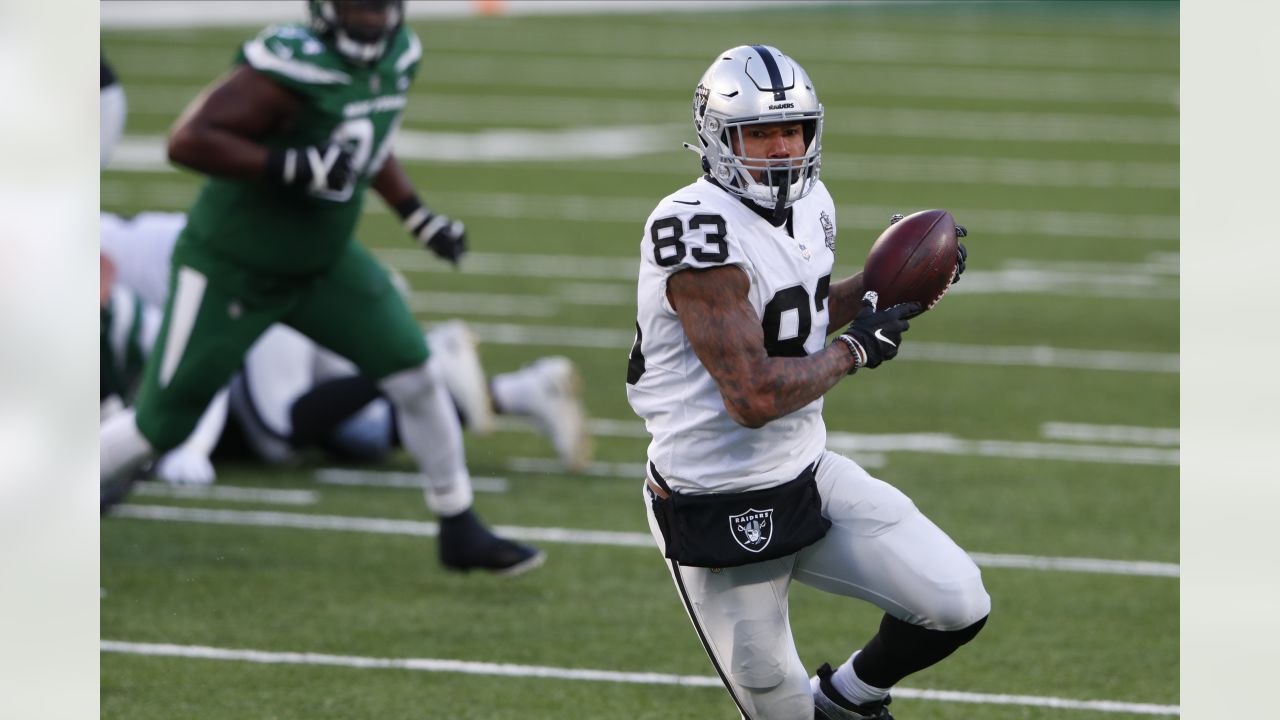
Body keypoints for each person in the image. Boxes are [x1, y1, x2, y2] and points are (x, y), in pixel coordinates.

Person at [99, 0, 542, 575]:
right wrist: (289, 165)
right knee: (159, 427)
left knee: (416, 372)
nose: (371, 20)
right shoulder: (288, 65)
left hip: (321, 260)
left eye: (380, 6)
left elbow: (368, 141)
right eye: (358, 7)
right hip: (233, 267)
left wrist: (417, 216)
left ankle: (458, 523)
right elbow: (188, 140)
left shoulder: (400, 55)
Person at [626, 45, 989, 719]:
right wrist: (855, 351)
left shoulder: (812, 201)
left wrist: (888, 289)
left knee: (955, 600)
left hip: (804, 469)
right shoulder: (693, 230)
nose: (782, 148)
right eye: (760, 132)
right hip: (714, 496)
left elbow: (803, 312)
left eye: (792, 129)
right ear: (718, 137)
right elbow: (753, 396)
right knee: (777, 707)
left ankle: (847, 701)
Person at [100, 211, 592, 477]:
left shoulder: (100, 271)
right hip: (278, 295)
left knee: (278, 432)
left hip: (274, 301)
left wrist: (192, 446)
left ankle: (430, 357)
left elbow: (193, 363)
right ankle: (522, 392)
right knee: (362, 437)